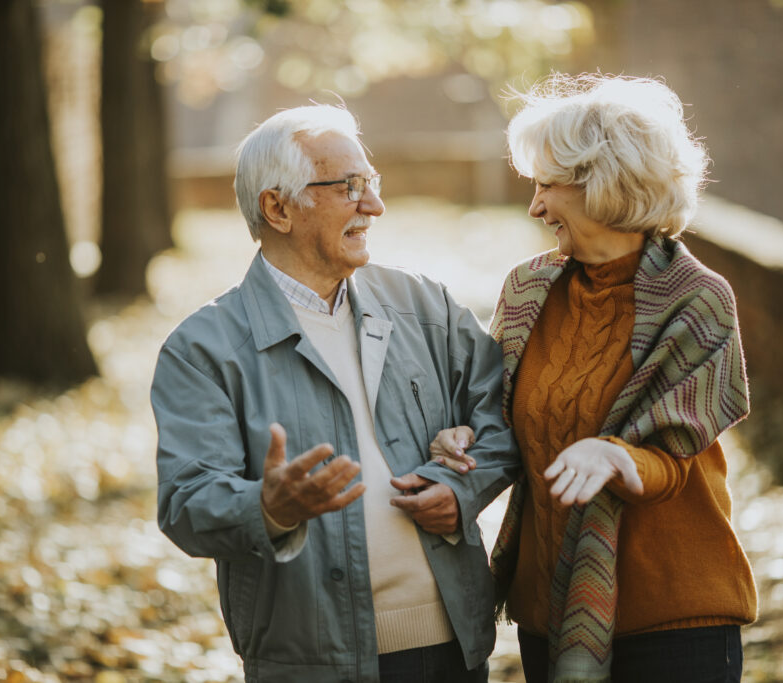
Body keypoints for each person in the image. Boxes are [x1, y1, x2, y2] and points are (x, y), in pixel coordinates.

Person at [150, 105, 520, 683]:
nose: (373, 206)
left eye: (371, 184)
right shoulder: (203, 348)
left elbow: (506, 411)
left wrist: (463, 484)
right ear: (278, 207)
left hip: (450, 650)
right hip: (308, 663)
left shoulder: (426, 307)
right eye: (350, 187)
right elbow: (186, 503)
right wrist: (268, 508)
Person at [431, 73, 758, 683]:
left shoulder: (697, 301)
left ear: (605, 182)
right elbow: (496, 417)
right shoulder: (528, 290)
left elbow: (672, 457)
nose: (534, 206)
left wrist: (614, 457)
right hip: (546, 613)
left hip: (672, 618)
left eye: (545, 186)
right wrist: (462, 438)